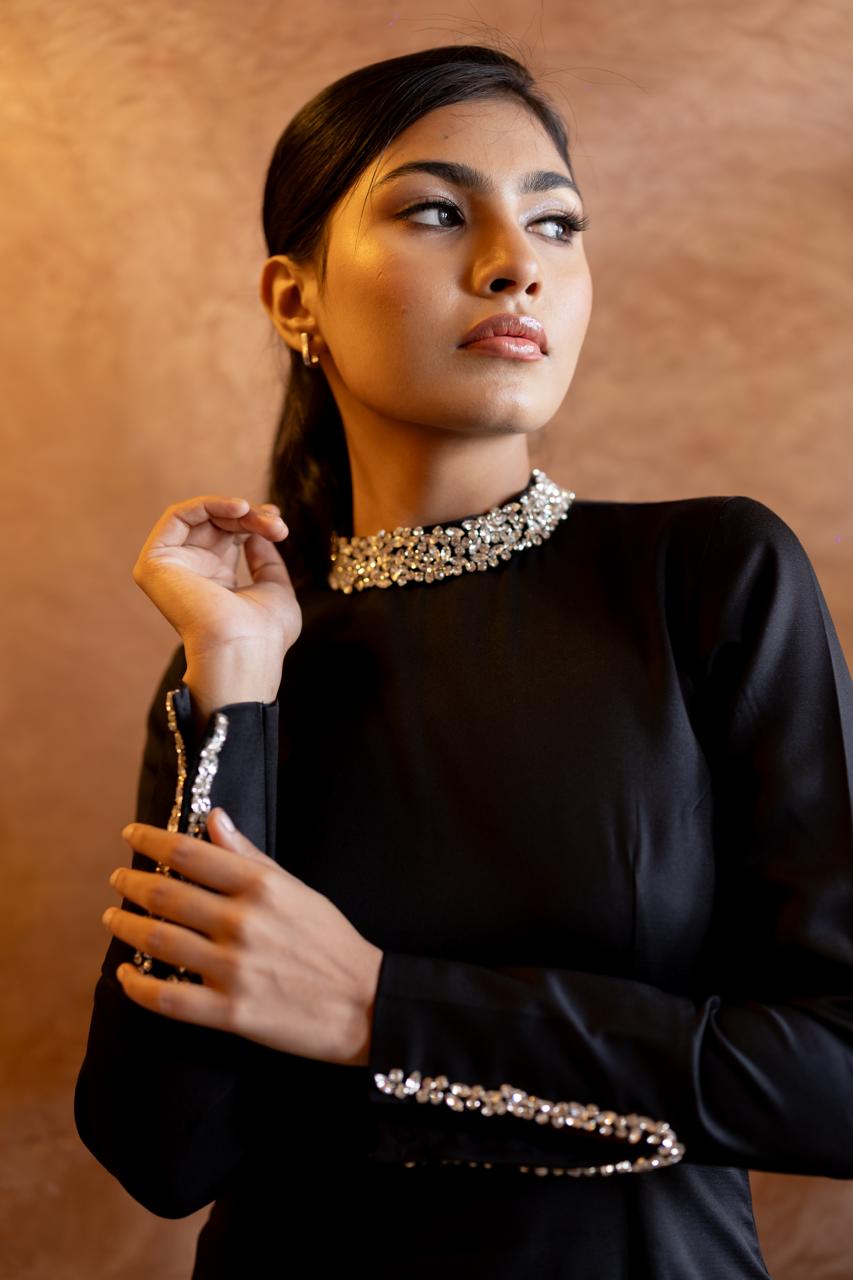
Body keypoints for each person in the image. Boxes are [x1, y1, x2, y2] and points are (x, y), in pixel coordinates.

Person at [73, 43, 853, 1279]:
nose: (514, 262)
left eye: (555, 222)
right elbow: (164, 1151)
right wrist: (230, 679)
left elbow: (837, 1077)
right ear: (293, 299)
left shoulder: (709, 574)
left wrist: (383, 1008)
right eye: (437, 211)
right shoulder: (246, 650)